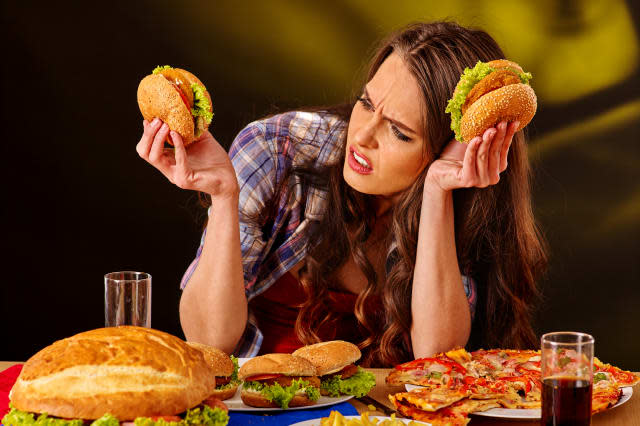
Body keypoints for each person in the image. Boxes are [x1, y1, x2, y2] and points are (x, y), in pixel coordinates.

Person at [136, 21, 547, 367]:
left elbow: (435, 359)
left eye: (399, 132)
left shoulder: (465, 192)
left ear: (447, 146)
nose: (363, 137)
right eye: (366, 104)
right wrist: (223, 196)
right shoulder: (275, 150)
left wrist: (439, 188)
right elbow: (208, 342)